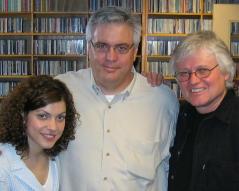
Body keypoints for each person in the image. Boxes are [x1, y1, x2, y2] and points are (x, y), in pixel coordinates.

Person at [56, 6, 179, 191]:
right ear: (89, 47)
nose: (110, 57)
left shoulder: (163, 101)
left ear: (135, 51)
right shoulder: (60, 91)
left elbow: (175, 165)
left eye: (121, 48)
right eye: (101, 46)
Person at [167, 31, 239, 191]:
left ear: (226, 72)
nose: (193, 80)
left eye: (203, 70)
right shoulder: (180, 116)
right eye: (184, 73)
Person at [0, 75, 79, 191]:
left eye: (60, 117)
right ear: (22, 115)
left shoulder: (56, 158)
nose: (53, 127)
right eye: (43, 116)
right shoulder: (3, 163)